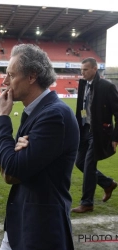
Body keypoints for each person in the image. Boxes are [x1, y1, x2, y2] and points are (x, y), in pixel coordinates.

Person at [0, 44, 79, 250]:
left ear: (32, 76)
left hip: (41, 231)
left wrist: (2, 117)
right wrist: (14, 156)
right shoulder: (35, 111)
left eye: (11, 75)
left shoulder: (54, 115)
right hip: (22, 223)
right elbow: (10, 171)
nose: (4, 82)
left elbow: (11, 169)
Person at [71, 57, 118, 213]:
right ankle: (108, 183)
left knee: (90, 165)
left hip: (99, 133)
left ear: (95, 69)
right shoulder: (83, 84)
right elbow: (82, 108)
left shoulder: (107, 87)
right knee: (79, 162)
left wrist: (115, 137)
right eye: (81, 70)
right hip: (84, 130)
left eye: (85, 69)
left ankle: (87, 203)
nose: (82, 73)